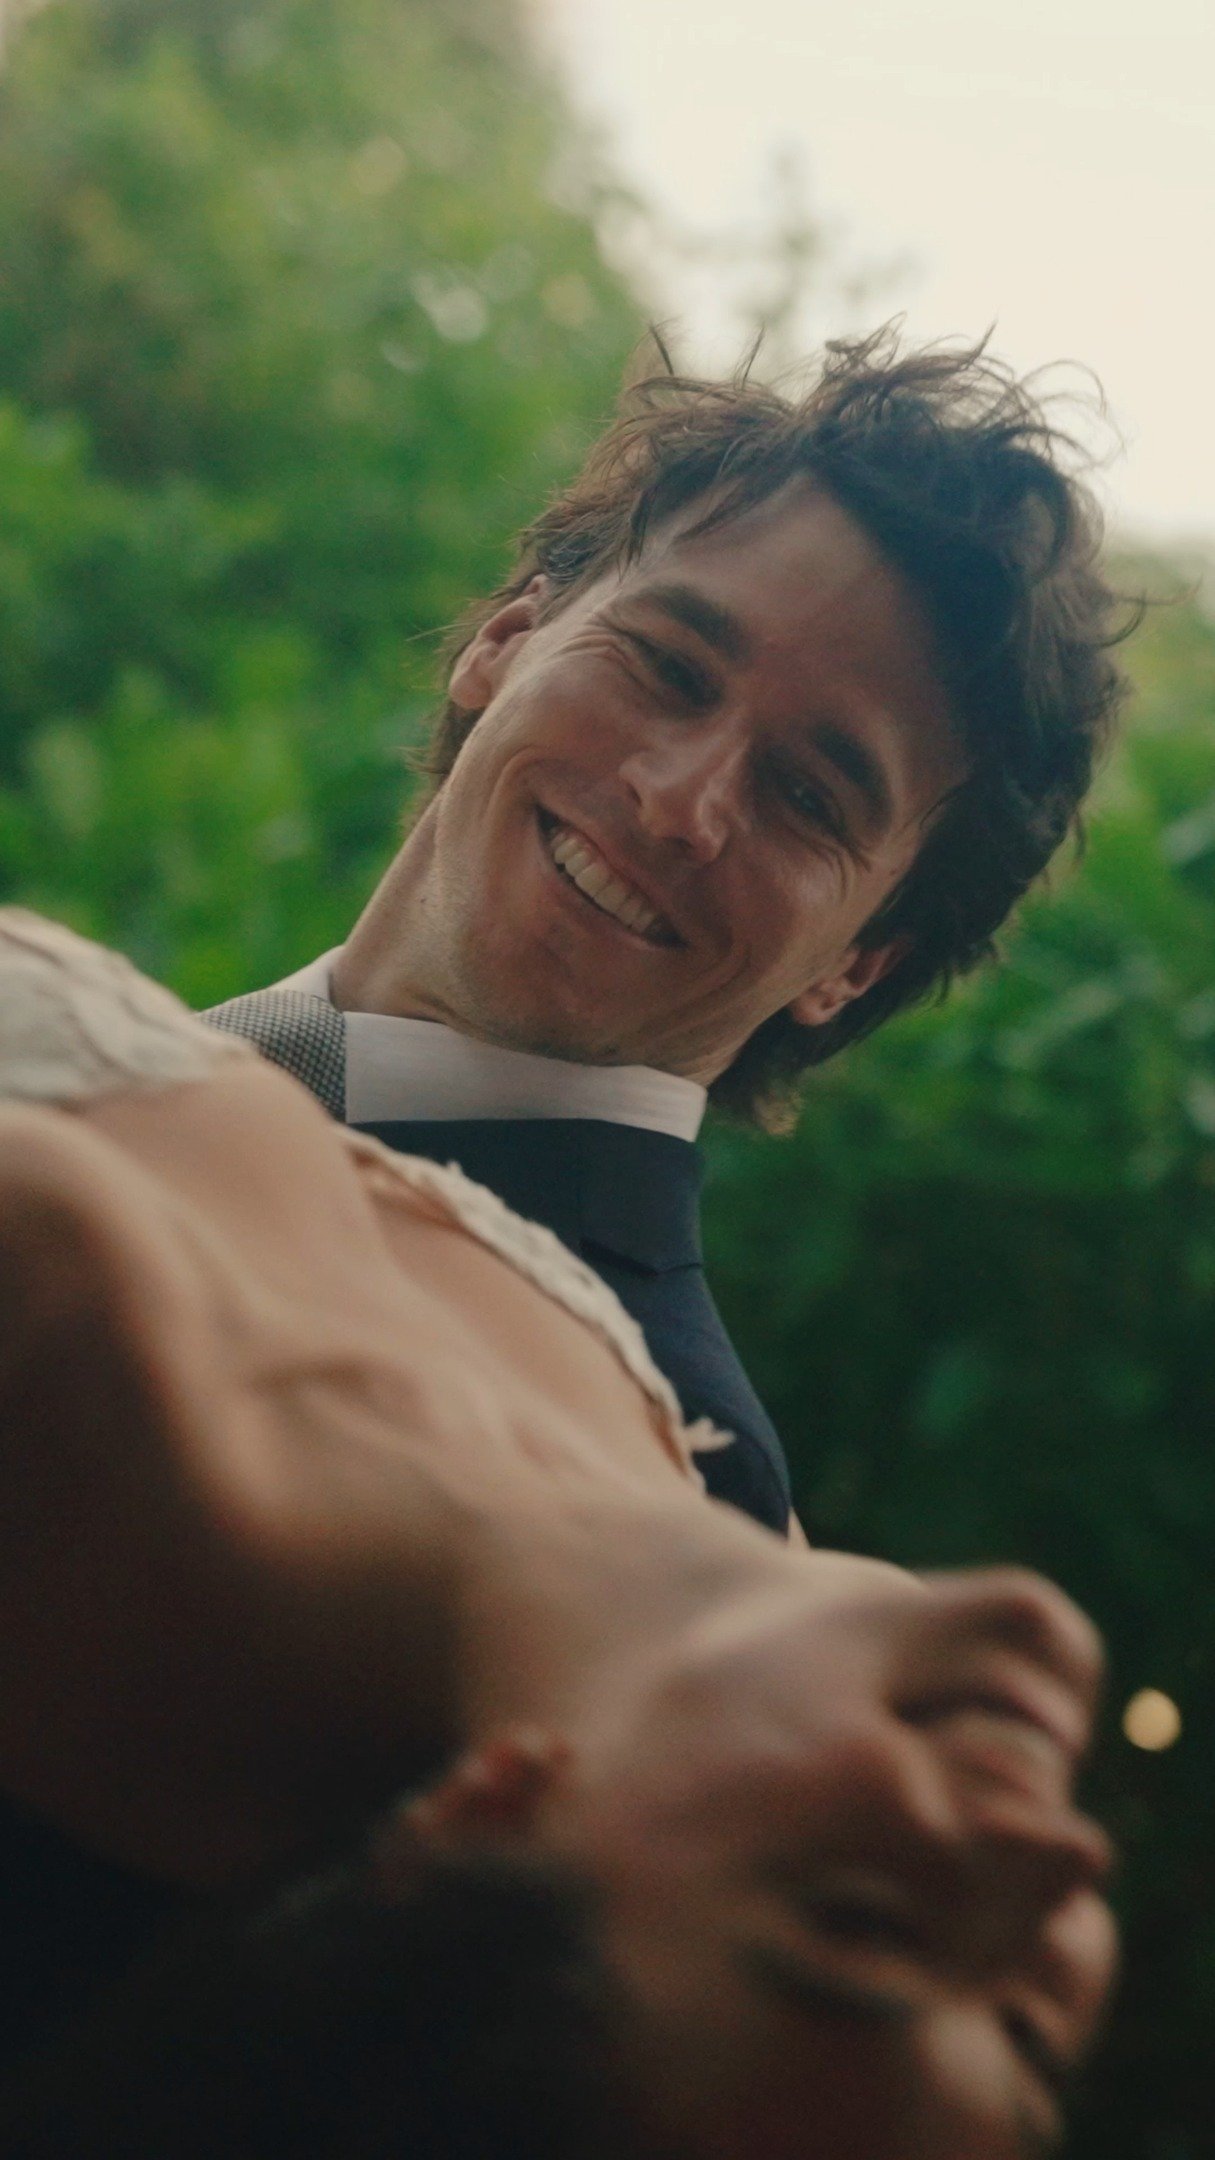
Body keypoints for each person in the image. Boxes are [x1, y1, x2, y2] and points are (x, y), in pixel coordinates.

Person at [1, 913, 1114, 2157]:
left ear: (492, 1816)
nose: (1051, 1860)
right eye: (1027, 2036)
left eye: (860, 1924)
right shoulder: (686, 1506)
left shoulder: (55, 1393)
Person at [204, 328, 1131, 1539]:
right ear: (505, 639)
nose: (676, 801)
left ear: (859, 965)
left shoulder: (661, 1475)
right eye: (668, 668)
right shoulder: (130, 1058)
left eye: (807, 797)